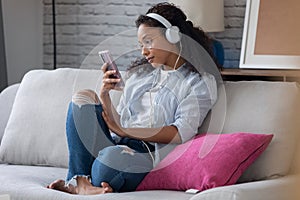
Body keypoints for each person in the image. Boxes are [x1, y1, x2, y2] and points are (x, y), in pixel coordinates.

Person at [47, 2, 218, 195]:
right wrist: (105, 94)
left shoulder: (199, 82)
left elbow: (181, 132)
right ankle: (82, 182)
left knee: (110, 158)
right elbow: (116, 123)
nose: (143, 52)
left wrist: (126, 130)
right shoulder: (140, 76)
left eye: (148, 42)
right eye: (140, 45)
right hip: (118, 141)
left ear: (172, 36)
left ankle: (79, 182)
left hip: (146, 155)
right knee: (83, 98)